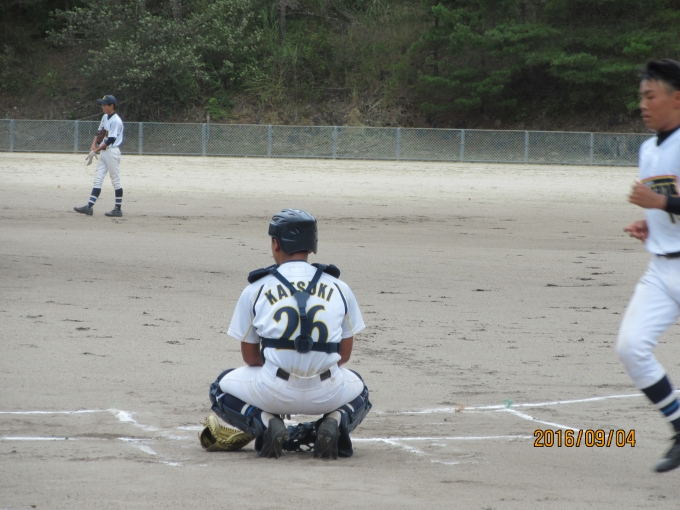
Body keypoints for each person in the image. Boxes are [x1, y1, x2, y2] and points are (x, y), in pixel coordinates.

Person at [200, 209, 371, 459]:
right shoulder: (339, 287)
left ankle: (265, 421)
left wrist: (280, 371)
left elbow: (250, 358)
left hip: (273, 391)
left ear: (276, 244)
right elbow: (344, 356)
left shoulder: (256, 288)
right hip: (328, 392)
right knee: (361, 390)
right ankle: (336, 419)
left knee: (219, 388)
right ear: (311, 246)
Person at [618, 59, 680, 473]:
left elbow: (665, 198)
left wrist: (659, 203)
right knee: (631, 346)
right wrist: (651, 220)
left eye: (650, 95)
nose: (642, 104)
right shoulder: (648, 149)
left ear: (676, 99)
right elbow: (669, 204)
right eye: (641, 96)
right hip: (661, 268)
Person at [74, 95, 124, 217]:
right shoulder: (105, 117)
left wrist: (96, 150)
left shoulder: (116, 121)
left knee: (115, 179)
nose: (102, 106)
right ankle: (89, 207)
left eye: (104, 104)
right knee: (98, 178)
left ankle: (118, 209)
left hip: (112, 151)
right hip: (104, 151)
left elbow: (111, 140)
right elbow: (100, 132)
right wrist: (93, 146)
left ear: (111, 106)